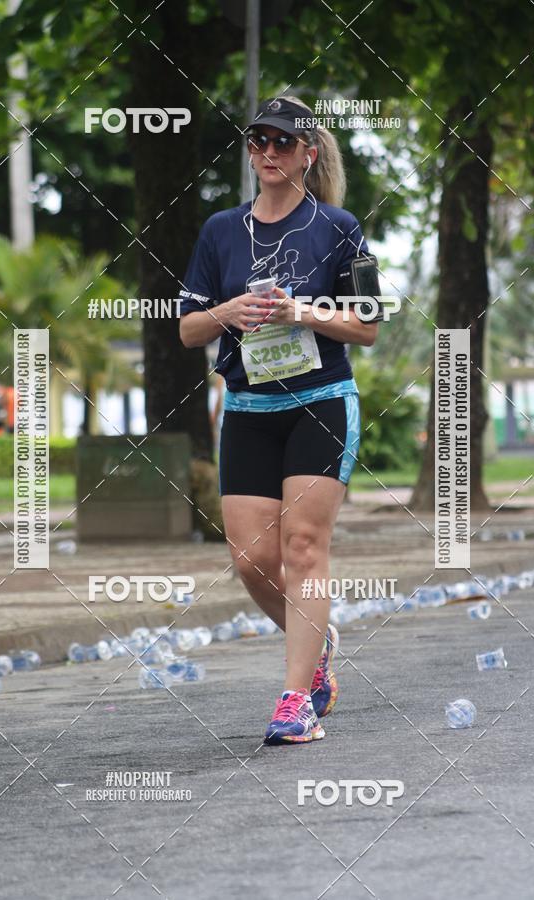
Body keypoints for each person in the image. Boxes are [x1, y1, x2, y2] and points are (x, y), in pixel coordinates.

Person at [179, 95, 379, 746]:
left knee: (301, 550)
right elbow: (187, 329)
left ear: (308, 153)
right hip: (247, 408)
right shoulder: (220, 231)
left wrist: (303, 314)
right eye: (257, 141)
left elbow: (368, 326)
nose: (267, 152)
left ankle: (296, 700)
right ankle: (317, 643)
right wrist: (228, 311)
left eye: (282, 143)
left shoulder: (340, 227)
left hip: (319, 403)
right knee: (251, 559)